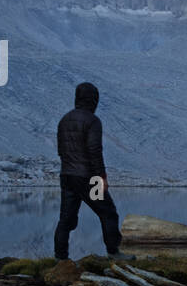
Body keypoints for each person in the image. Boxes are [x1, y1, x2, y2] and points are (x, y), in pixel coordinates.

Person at [54, 82, 133, 260]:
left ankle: (60, 258)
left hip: (67, 176)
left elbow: (60, 150)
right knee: (108, 213)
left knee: (66, 219)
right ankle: (114, 252)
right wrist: (101, 177)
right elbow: (94, 151)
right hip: (89, 178)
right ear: (94, 100)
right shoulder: (92, 120)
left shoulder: (64, 119)